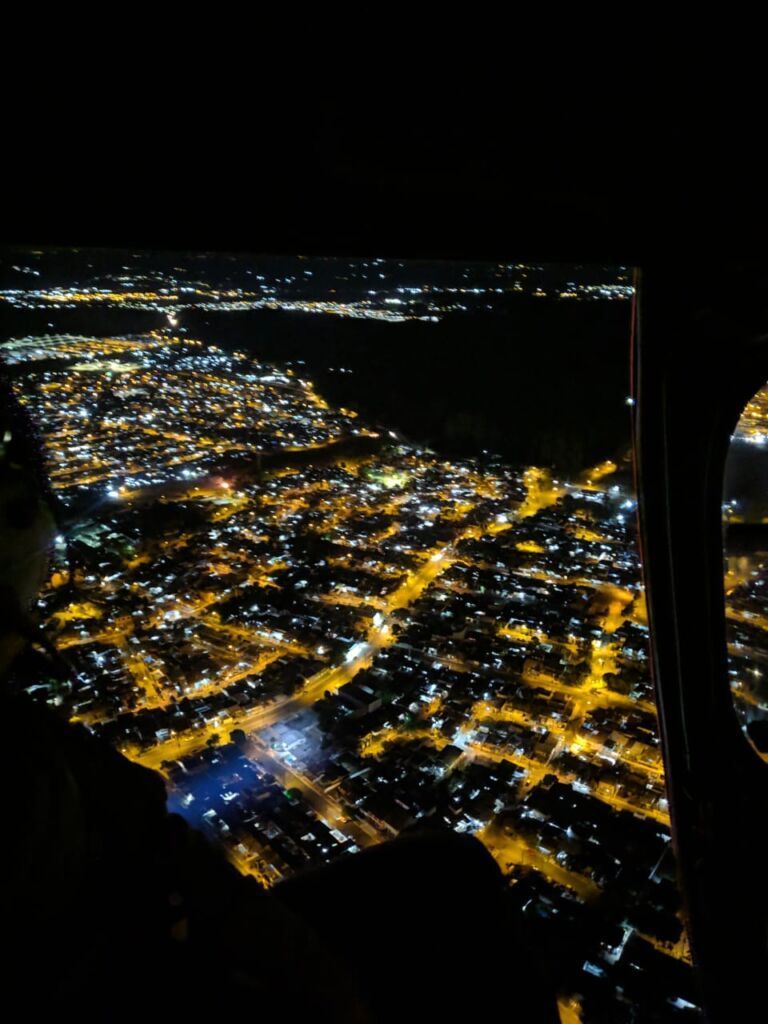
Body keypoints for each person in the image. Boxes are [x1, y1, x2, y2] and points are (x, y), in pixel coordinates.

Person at [1, 376, 559, 1022]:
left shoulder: (48, 756)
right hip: (147, 974)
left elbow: (170, 857)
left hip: (155, 950)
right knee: (447, 875)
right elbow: (178, 870)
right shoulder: (41, 769)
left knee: (445, 868)